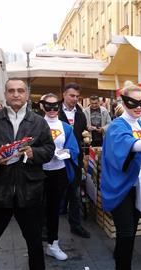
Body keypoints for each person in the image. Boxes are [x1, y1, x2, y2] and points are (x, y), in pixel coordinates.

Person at [0, 78, 55, 270]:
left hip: (30, 191)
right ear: (5, 94)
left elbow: (49, 149)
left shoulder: (38, 121)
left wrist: (33, 153)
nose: (16, 94)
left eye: (20, 90)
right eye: (11, 91)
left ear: (27, 94)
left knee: (35, 242)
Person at [101, 81, 141, 270]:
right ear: (123, 102)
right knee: (127, 233)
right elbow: (126, 144)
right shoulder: (116, 126)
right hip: (122, 187)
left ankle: (127, 255)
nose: (138, 107)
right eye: (132, 103)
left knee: (131, 230)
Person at [40, 93, 79, 260]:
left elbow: (73, 149)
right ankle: (35, 245)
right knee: (35, 209)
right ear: (42, 106)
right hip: (38, 173)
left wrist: (60, 153)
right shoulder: (36, 124)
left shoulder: (66, 127)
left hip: (58, 172)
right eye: (48, 106)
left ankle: (53, 244)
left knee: (54, 209)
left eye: (55, 105)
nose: (52, 109)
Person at [58, 82, 91, 238]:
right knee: (53, 193)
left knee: (75, 193)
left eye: (77, 96)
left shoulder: (80, 114)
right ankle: (46, 226)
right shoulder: (54, 111)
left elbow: (80, 133)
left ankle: (76, 225)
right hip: (56, 159)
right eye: (72, 95)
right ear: (63, 94)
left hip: (74, 159)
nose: (75, 99)